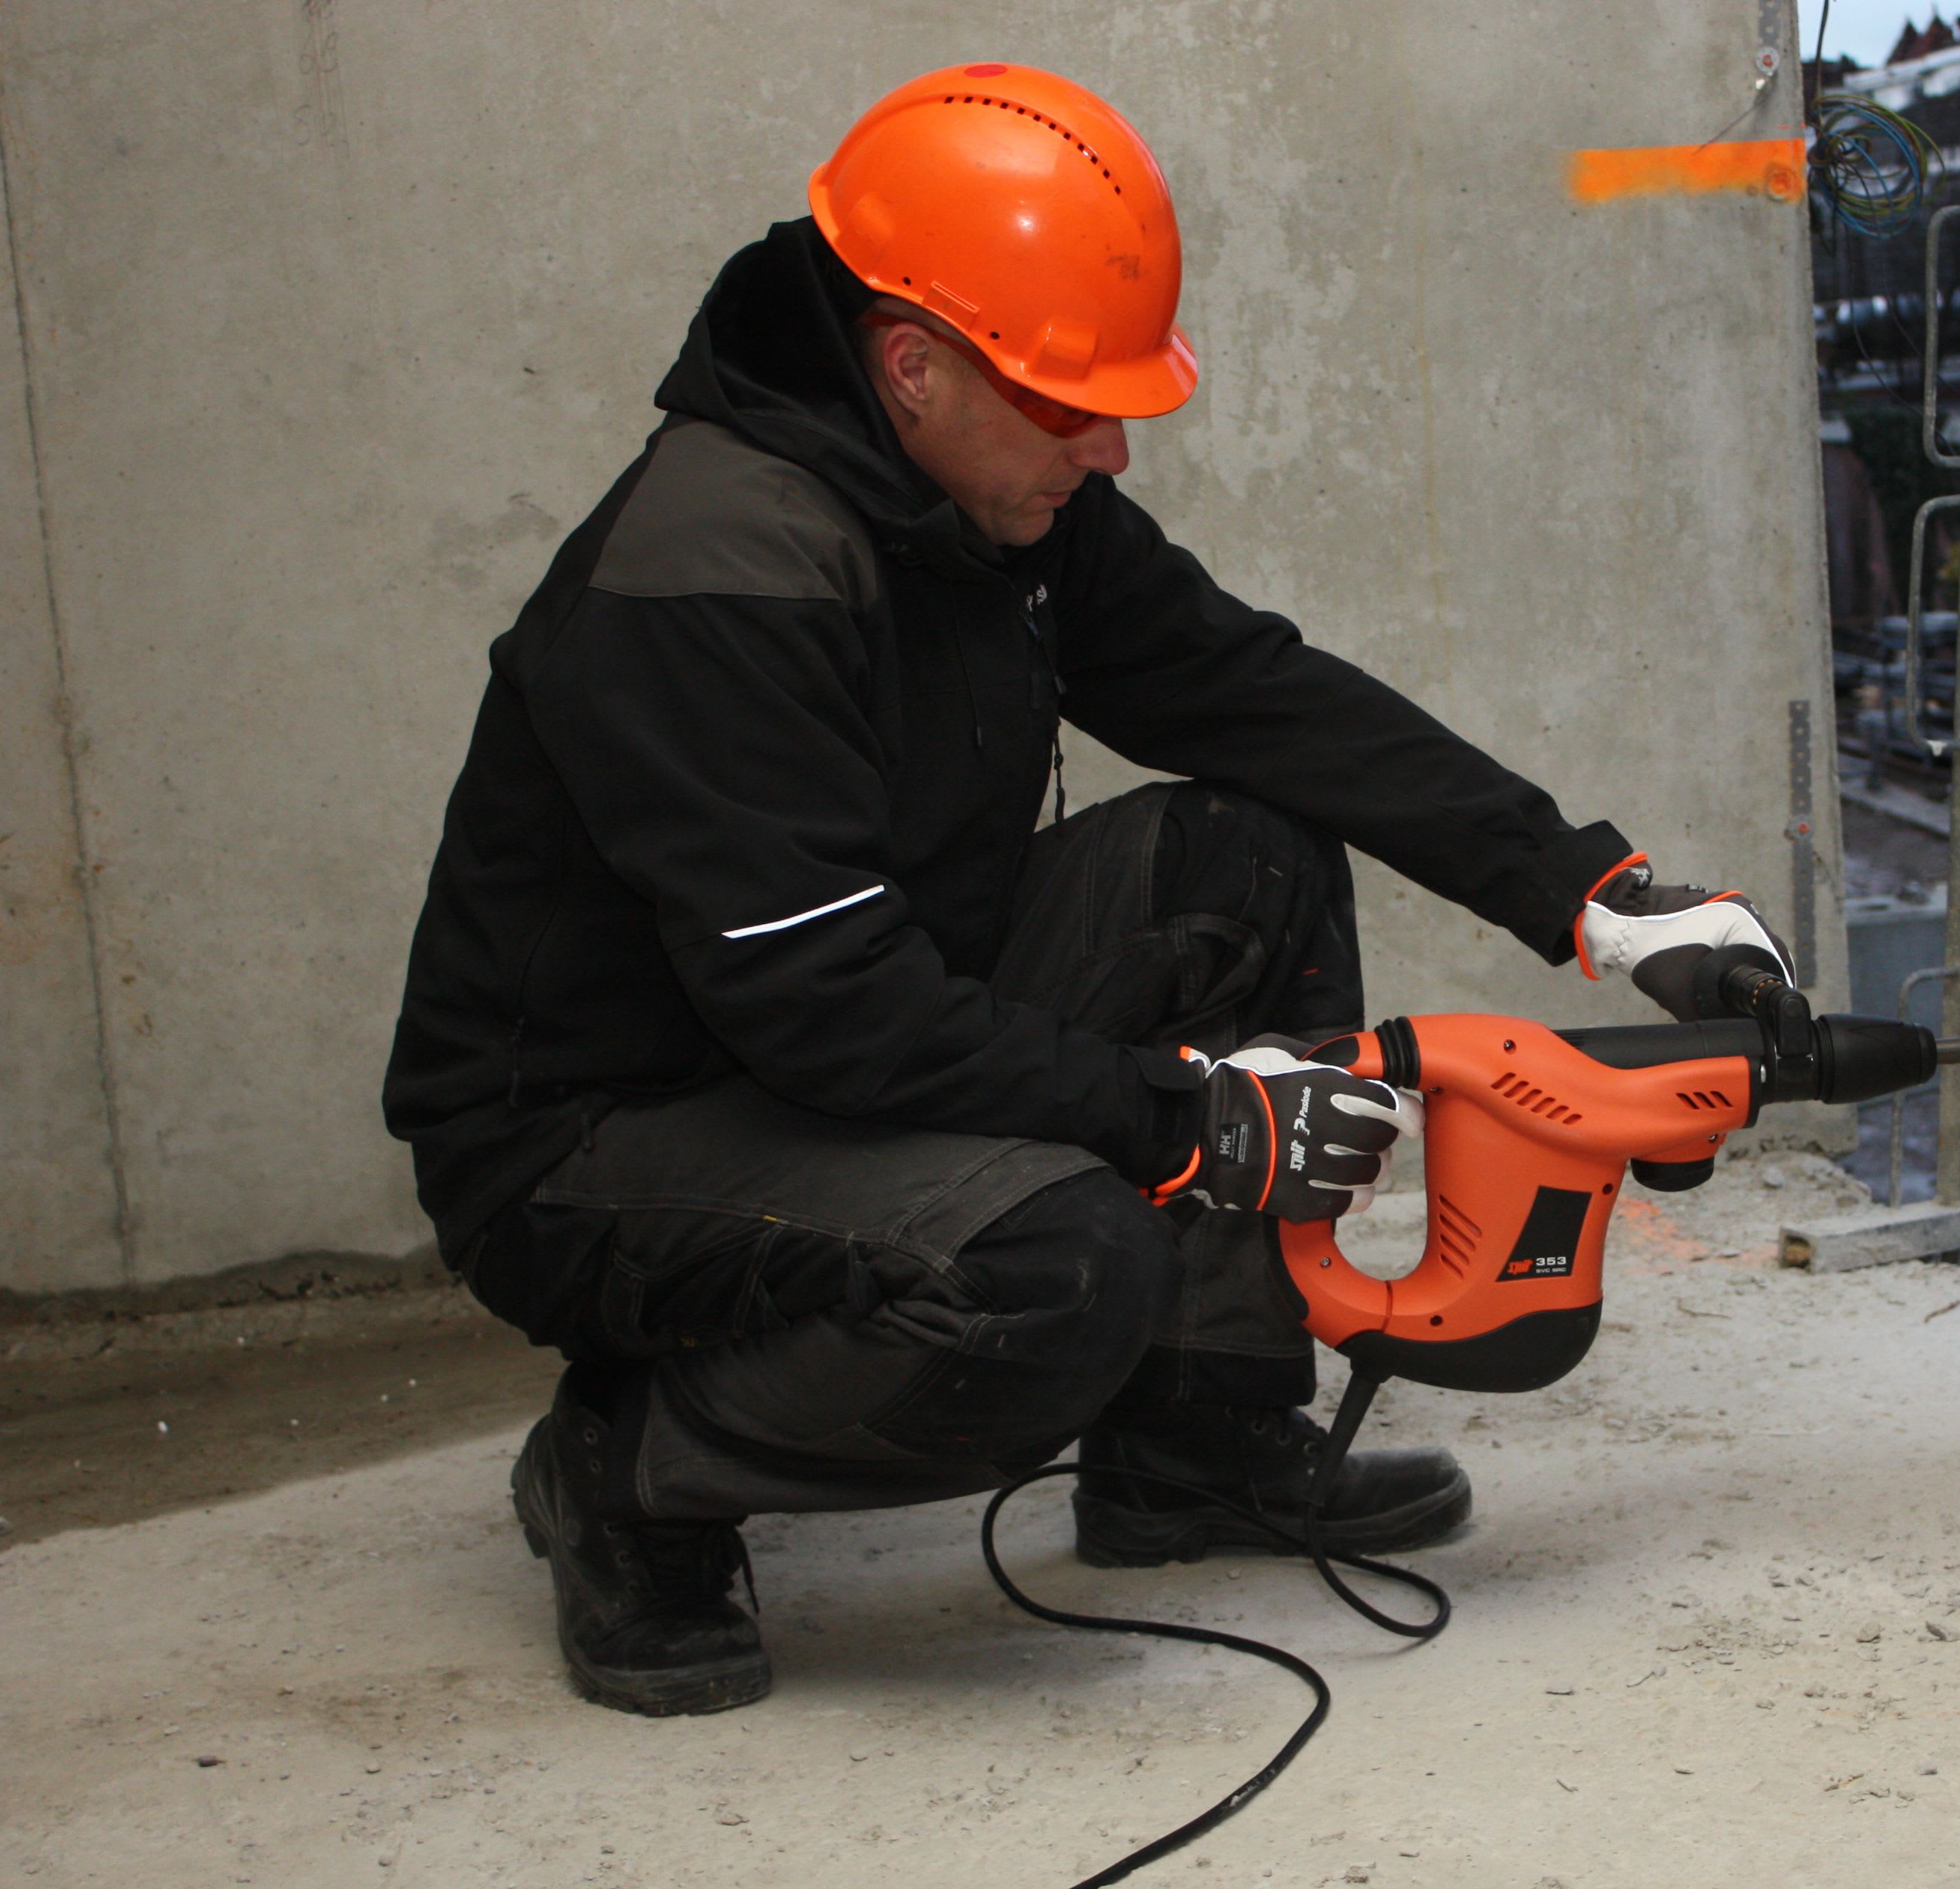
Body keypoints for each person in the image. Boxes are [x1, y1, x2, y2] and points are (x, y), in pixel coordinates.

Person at [382, 64, 1787, 1717]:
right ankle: (635, 1468)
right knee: (1057, 1269)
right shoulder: (716, 564)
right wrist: (1187, 1117)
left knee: (1243, 861)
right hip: (599, 1138)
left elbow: (1252, 692)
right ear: (912, 365)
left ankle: (1191, 1437)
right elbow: (827, 1009)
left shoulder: (993, 498)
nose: (1111, 446)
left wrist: (1594, 892)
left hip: (838, 1022)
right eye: (1071, 405)